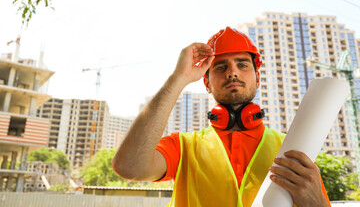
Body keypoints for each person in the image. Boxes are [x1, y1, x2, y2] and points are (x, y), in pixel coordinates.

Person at [112, 27, 331, 207]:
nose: (232, 72)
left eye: (242, 64)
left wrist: (317, 203)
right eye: (221, 67)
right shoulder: (183, 147)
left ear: (258, 78)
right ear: (206, 83)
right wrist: (178, 78)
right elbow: (129, 167)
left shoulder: (293, 148)